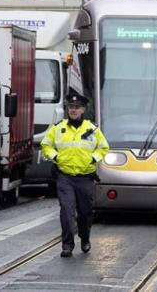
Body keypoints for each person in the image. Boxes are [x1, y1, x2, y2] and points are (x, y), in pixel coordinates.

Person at [40, 93, 108, 258]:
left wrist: (93, 158)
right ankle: (67, 245)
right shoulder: (58, 128)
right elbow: (45, 145)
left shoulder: (92, 129)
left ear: (83, 110)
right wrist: (55, 156)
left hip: (85, 178)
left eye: (77, 108)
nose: (73, 110)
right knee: (67, 211)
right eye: (71, 107)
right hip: (65, 177)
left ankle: (85, 237)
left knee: (85, 213)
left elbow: (104, 147)